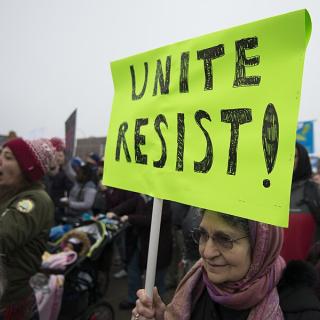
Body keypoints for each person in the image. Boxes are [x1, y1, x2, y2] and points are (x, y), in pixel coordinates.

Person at [133, 210, 320, 320]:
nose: (207, 252)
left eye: (225, 239)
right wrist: (162, 316)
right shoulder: (195, 287)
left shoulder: (301, 310)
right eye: (203, 235)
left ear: (261, 246)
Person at [0, 137, 55, 319]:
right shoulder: (9, 192)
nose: (0, 159)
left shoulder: (33, 201)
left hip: (9, 301)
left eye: (8, 157)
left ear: (26, 169)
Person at [281, 142, 320, 262]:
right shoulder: (267, 191)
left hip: (306, 273)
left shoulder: (314, 191)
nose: (289, 160)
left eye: (294, 156)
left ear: (302, 158)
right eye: (286, 155)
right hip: (272, 275)